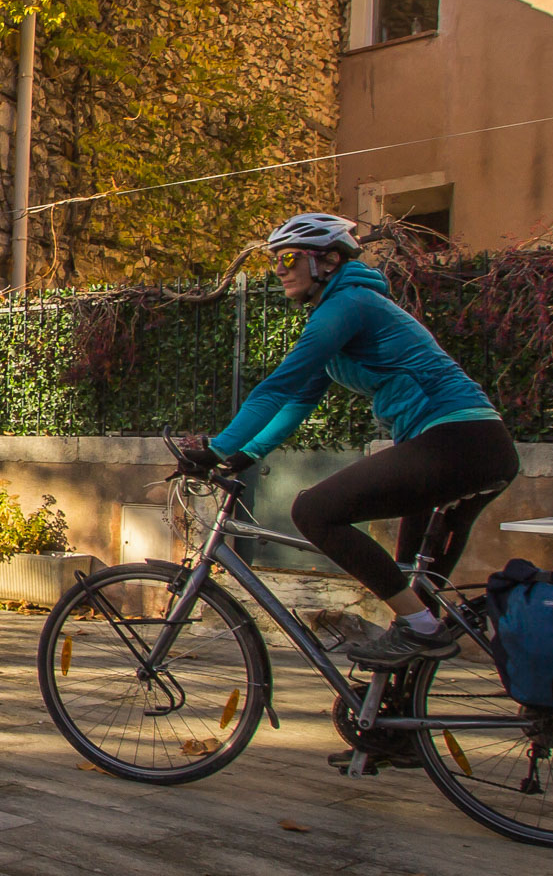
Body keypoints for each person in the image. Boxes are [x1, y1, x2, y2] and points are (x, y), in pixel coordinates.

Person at [178, 212, 520, 668]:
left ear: (329, 261)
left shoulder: (349, 305)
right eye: (275, 260)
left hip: (457, 441)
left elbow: (277, 386)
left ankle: (422, 631)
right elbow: (298, 401)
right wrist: (246, 454)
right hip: (468, 447)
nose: (279, 268)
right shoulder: (342, 311)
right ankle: (392, 730)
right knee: (415, 603)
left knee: (315, 511)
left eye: (290, 257)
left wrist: (217, 448)